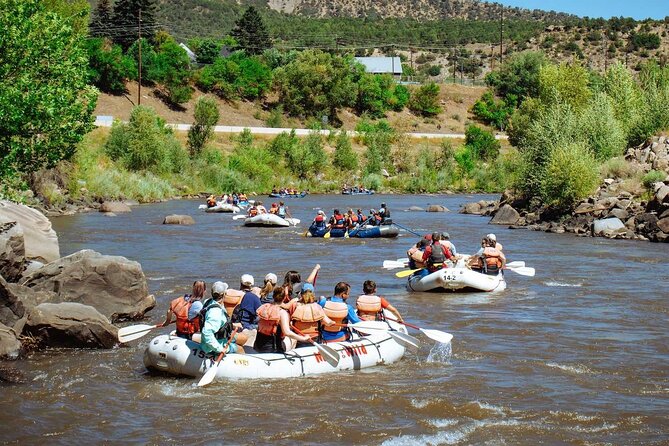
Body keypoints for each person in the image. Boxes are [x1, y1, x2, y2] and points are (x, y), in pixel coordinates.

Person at [254, 286, 311, 353]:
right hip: (272, 349)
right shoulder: (282, 313)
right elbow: (287, 332)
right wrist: (303, 339)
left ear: (273, 296)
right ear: (284, 298)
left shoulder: (264, 307)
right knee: (293, 340)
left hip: (257, 346)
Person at [200, 281, 248, 355]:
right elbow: (207, 332)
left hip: (220, 338)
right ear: (224, 294)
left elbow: (219, 322)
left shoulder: (208, 302)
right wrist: (220, 349)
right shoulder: (215, 312)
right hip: (214, 348)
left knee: (242, 338)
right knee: (240, 349)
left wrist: (232, 325)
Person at [290, 283, 334, 348]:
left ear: (301, 294)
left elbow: (290, 323)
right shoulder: (318, 307)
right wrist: (332, 322)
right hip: (315, 339)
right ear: (313, 294)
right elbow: (328, 322)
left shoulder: (294, 305)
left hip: (299, 339)